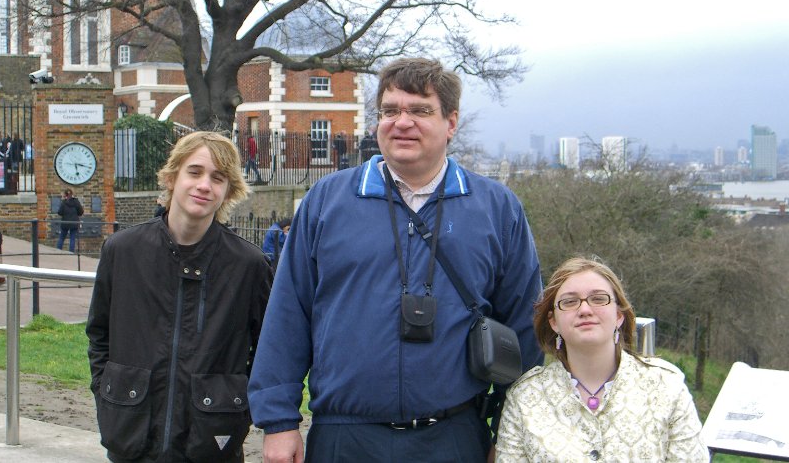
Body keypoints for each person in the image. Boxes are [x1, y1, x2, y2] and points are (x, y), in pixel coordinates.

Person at [249, 58, 543, 463]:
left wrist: (510, 432)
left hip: (455, 437)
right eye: (390, 111)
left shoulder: (496, 208)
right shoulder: (327, 201)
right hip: (344, 436)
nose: (401, 122)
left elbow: (526, 329)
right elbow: (288, 313)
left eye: (420, 110)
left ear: (451, 122)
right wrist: (279, 421)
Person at [86, 131, 273, 462]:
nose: (204, 185)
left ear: (228, 191)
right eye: (195, 172)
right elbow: (99, 334)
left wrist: (238, 406)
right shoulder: (123, 251)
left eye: (218, 178)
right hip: (132, 434)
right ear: (172, 177)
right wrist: (106, 393)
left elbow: (268, 351)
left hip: (210, 438)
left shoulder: (249, 265)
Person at [495, 256, 709, 462]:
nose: (585, 309)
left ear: (618, 315)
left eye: (598, 299)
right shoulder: (524, 397)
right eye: (569, 302)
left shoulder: (667, 387)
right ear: (553, 322)